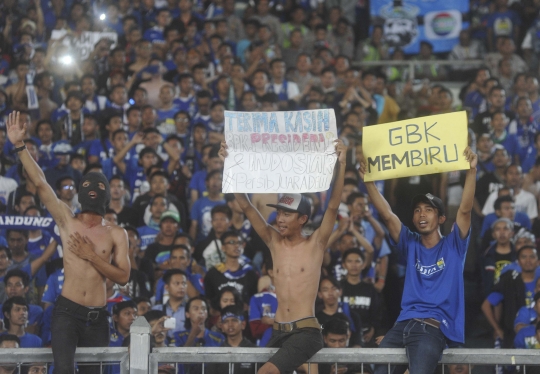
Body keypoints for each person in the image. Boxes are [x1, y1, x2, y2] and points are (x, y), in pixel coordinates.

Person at [5, 112, 131, 374]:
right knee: (63, 370)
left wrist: (92, 256)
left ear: (105, 194)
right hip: (67, 312)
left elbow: (123, 276)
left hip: (97, 316)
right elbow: (40, 182)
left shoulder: (117, 233)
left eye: (97, 186)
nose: (92, 190)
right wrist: (19, 146)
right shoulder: (67, 220)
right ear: (80, 193)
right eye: (87, 185)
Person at [219, 138, 347, 374]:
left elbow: (332, 206)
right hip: (278, 331)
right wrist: (229, 166)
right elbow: (248, 207)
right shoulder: (273, 241)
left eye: (287, 214)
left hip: (305, 333)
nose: (280, 218)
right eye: (278, 212)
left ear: (303, 219)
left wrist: (342, 165)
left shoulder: (316, 244)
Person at [359, 146, 477, 374]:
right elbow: (387, 214)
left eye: (429, 210)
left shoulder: (454, 245)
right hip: (401, 326)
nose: (421, 214)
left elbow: (464, 210)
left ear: (442, 218)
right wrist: (368, 182)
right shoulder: (409, 242)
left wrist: (471, 172)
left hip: (432, 329)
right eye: (417, 210)